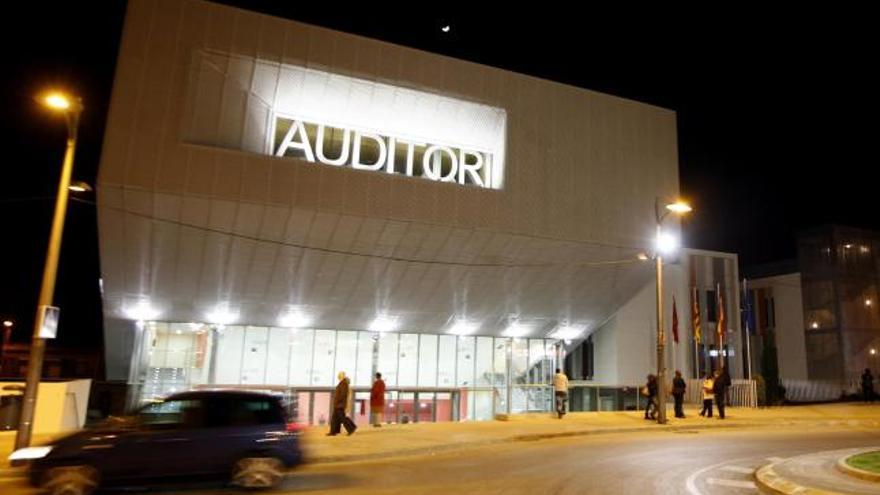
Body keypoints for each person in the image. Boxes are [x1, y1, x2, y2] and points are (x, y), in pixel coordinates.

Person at [328, 371, 357, 436]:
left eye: (339, 376)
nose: (338, 377)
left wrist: (337, 401)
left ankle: (351, 428)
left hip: (340, 404)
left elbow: (343, 395)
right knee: (335, 418)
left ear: (341, 376)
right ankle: (334, 431)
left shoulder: (343, 384)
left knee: (342, 418)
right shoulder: (342, 383)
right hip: (339, 404)